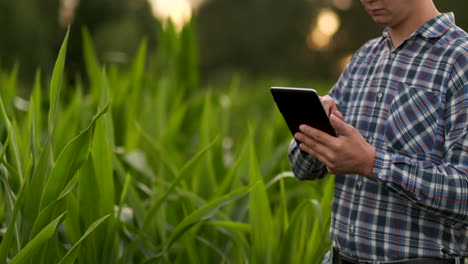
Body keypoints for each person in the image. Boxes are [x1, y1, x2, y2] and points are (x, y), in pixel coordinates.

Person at [288, 0, 468, 263]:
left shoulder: (460, 60)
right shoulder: (364, 58)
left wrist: (372, 163)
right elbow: (301, 169)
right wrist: (316, 126)